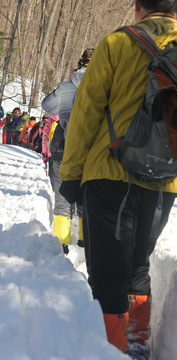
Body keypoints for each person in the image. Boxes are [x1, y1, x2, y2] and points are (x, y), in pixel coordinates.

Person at [59, 0, 177, 356]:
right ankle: (139, 343)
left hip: (109, 175)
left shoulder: (117, 44)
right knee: (138, 266)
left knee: (108, 273)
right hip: (164, 181)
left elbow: (85, 114)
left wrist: (71, 175)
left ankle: (113, 350)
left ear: (139, 7)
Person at [42, 48, 94, 255]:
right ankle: (83, 239)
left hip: (63, 146)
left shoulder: (66, 87)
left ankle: (61, 241)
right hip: (90, 149)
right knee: (85, 194)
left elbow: (48, 106)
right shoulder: (105, 86)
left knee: (62, 194)